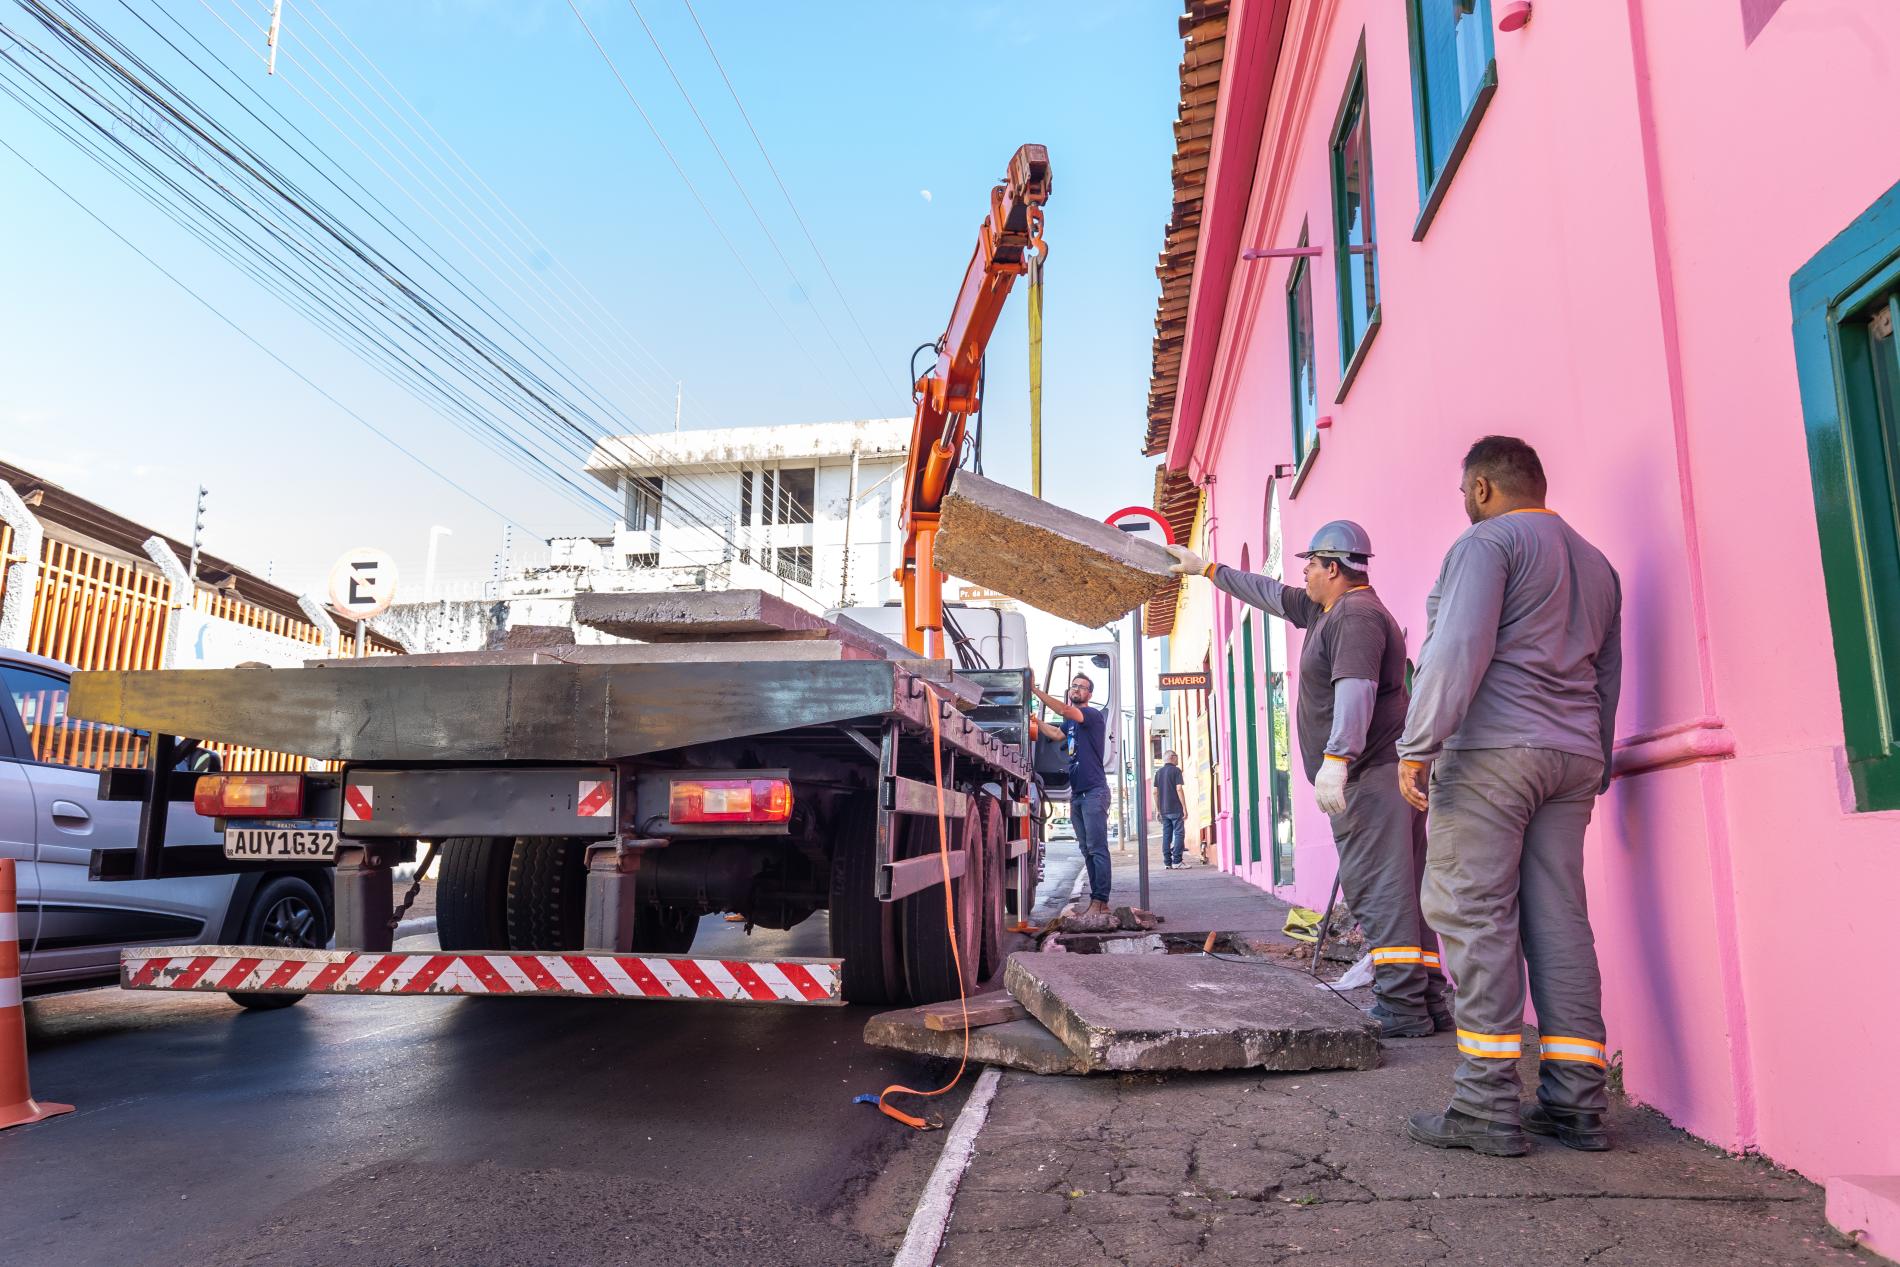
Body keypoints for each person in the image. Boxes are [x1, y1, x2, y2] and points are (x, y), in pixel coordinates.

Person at [1397, 436, 1623, 1158]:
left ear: (1487, 487)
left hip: (1495, 753)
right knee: (1560, 919)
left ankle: (1487, 1105)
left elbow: (1456, 647)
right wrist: (1600, 756)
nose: (1464, 502)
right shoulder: (1598, 564)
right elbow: (1605, 677)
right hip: (1572, 756)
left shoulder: (1488, 543)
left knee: (1473, 914)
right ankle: (1577, 1102)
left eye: (1466, 489)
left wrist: (1418, 743)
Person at [1166, 524, 1449, 1038]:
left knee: (1380, 893)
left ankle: (1404, 1007)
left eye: (1311, 565)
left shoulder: (1357, 616)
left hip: (1372, 778)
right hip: (1381, 775)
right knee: (1401, 891)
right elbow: (1271, 594)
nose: (1303, 573)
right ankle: (1426, 999)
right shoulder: (1328, 611)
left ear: (1334, 568)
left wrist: (1338, 759)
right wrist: (1207, 570)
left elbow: (1357, 691)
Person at [1032, 673, 1112, 918]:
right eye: (1073, 685)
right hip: (1078, 794)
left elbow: (1066, 711)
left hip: (1094, 792)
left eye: (1082, 687)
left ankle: (1101, 901)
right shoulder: (1072, 723)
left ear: (1090, 694)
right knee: (1087, 850)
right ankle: (1096, 902)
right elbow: (1057, 734)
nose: (1076, 689)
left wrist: (1035, 691)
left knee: (1097, 849)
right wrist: (1034, 721)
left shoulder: (1091, 715)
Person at [1154, 750, 1186, 868]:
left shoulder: (1158, 772)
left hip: (1163, 810)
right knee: (1179, 834)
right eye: (1177, 757)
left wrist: (1158, 809)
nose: (1178, 759)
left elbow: (1155, 792)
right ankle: (1177, 861)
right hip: (1175, 808)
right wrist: (1184, 807)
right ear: (1172, 757)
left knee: (1166, 835)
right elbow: (1179, 789)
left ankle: (1167, 862)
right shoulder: (1176, 771)